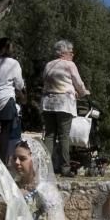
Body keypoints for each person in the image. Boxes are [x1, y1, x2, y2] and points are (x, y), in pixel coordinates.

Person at [40, 39, 90, 176]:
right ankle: (65, 168)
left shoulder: (49, 65)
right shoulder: (69, 65)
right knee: (64, 136)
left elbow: (44, 79)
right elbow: (78, 82)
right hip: (64, 102)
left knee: (49, 135)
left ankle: (45, 167)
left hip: (48, 102)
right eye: (71, 52)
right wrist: (83, 92)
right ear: (64, 53)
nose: (73, 54)